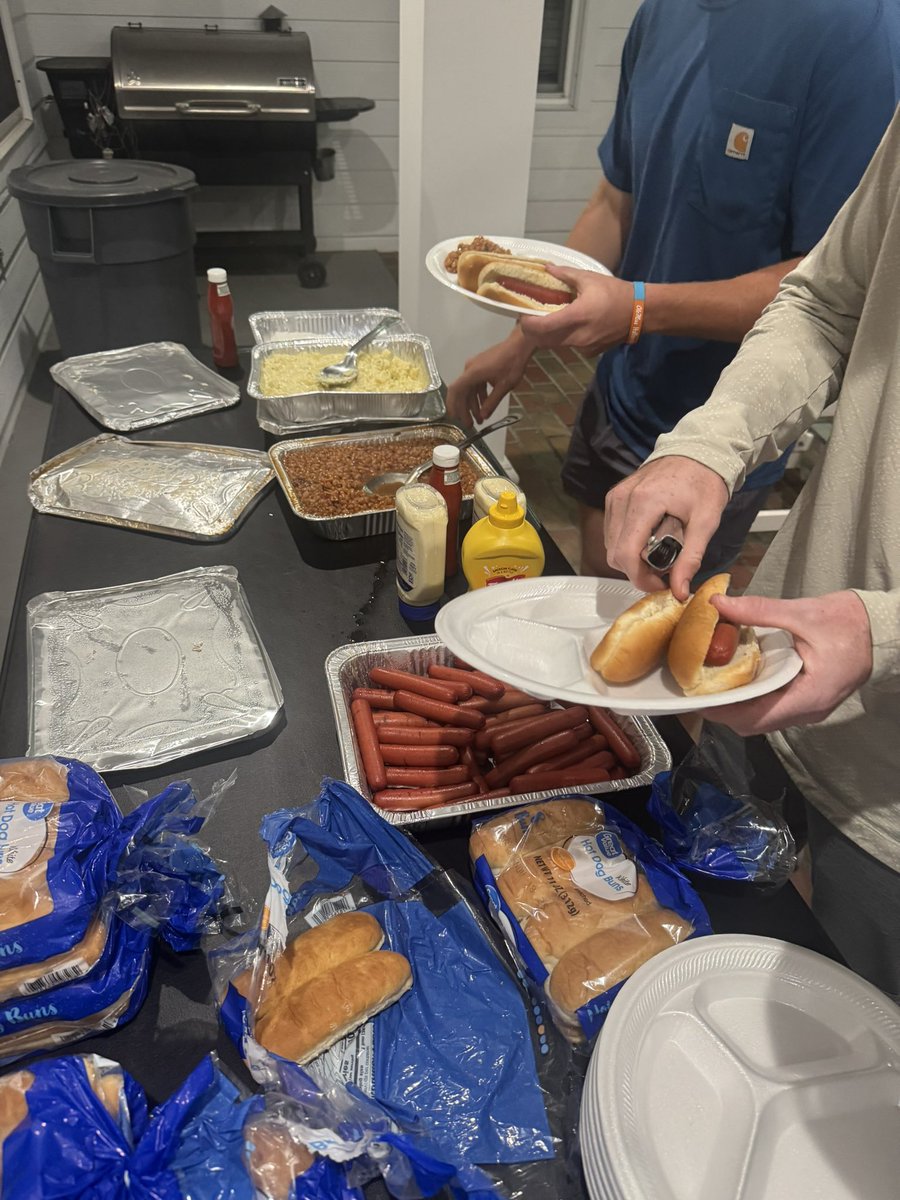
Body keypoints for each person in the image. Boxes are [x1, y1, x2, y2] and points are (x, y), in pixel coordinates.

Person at [603, 109, 900, 998]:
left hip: (893, 812)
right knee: (676, 957)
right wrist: (710, 442)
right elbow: (826, 300)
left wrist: (883, 632)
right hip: (770, 672)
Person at [447, 0, 900, 578]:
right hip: (618, 393)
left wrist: (638, 310)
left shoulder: (859, 33)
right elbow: (616, 200)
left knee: (649, 641)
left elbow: (830, 292)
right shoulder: (662, 12)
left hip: (719, 430)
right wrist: (527, 335)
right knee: (593, 586)